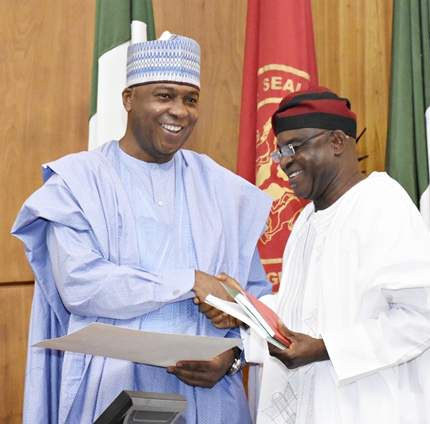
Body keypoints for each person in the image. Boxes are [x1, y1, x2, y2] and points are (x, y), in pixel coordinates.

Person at [12, 31, 272, 424]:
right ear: (128, 99)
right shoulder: (77, 183)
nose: (180, 111)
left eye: (190, 99)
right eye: (165, 96)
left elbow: (256, 299)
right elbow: (80, 284)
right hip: (112, 387)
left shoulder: (225, 190)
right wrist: (189, 281)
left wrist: (233, 357)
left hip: (210, 397)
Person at [209, 86, 430, 423]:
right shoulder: (306, 221)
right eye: (280, 151)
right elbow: (304, 309)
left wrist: (325, 348)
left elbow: (423, 317)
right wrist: (245, 311)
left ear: (337, 141)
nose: (284, 162)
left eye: (294, 147)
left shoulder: (380, 203)